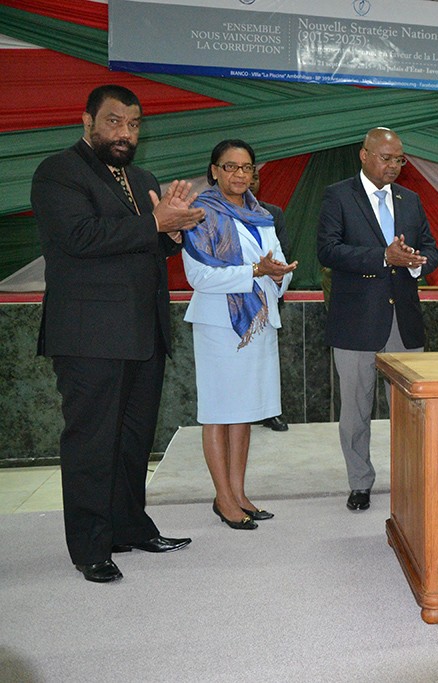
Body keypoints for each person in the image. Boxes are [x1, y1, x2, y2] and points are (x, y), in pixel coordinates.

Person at [31, 84, 203, 583]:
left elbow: (144, 246)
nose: (124, 133)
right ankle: (89, 546)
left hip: (142, 331)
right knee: (91, 442)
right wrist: (155, 221)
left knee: (132, 441)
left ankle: (129, 528)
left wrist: (171, 234)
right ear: (87, 121)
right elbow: (78, 238)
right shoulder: (58, 172)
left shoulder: (141, 176)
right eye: (113, 122)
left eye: (132, 124)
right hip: (89, 335)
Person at [317, 127, 438, 513]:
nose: (394, 166)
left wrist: (418, 263)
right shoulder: (338, 195)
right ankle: (360, 482)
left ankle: (409, 479)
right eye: (386, 158)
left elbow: (431, 248)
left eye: (399, 159)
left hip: (403, 321)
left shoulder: (411, 199)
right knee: (355, 411)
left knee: (409, 409)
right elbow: (328, 250)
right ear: (364, 155)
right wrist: (384, 258)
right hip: (356, 321)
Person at [182, 139, 297, 530]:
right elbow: (198, 276)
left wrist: (280, 274)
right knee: (218, 412)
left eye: (246, 168)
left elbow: (277, 262)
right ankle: (223, 499)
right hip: (219, 325)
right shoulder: (199, 214)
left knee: (242, 413)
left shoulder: (262, 214)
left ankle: (239, 492)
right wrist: (254, 272)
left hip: (258, 322)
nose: (239, 175)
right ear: (214, 170)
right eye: (230, 167)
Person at [249, 168, 290, 433]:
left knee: (266, 362)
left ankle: (269, 411)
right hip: (232, 296)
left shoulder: (271, 213)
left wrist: (279, 274)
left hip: (267, 295)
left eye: (254, 175)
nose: (250, 181)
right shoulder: (212, 212)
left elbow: (283, 253)